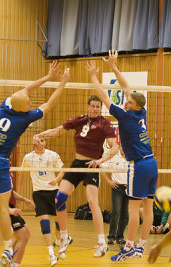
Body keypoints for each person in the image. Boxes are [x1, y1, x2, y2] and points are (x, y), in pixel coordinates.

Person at [0, 61, 70, 267]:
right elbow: (49, 105)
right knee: (4, 207)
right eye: (28, 103)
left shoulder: (5, 106)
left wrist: (47, 77)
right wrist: (62, 83)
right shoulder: (25, 118)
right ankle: (7, 250)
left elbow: (25, 89)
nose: (31, 103)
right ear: (22, 108)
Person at [86, 50, 158, 261]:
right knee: (148, 206)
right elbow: (127, 88)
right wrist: (114, 67)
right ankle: (141, 246)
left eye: (128, 102)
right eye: (127, 101)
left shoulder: (125, 116)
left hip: (138, 166)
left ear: (134, 106)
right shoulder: (141, 112)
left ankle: (128, 247)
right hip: (152, 163)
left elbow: (104, 97)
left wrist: (92, 76)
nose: (125, 102)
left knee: (133, 208)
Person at [34, 95, 119, 258]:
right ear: (88, 107)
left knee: (93, 202)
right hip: (77, 164)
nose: (95, 109)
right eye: (93, 106)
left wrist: (101, 160)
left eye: (98, 107)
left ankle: (102, 242)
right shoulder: (79, 120)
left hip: (92, 165)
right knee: (59, 199)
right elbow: (58, 130)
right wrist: (39, 135)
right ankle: (64, 236)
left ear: (101, 108)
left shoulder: (105, 123)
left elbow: (114, 147)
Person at [17, 138, 64, 266]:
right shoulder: (28, 157)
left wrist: (57, 180)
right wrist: (18, 193)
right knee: (44, 220)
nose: (40, 143)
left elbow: (62, 171)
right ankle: (51, 253)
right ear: (33, 142)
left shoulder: (53, 155)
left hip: (54, 191)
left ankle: (57, 237)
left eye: (42, 141)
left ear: (45, 143)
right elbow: (21, 174)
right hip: (38, 193)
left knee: (58, 221)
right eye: (38, 140)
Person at [0, 173, 35, 267]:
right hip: (2, 207)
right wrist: (9, 210)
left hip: (9, 206)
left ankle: (6, 258)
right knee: (22, 236)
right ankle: (15, 264)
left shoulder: (8, 170)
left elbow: (11, 192)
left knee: (26, 233)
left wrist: (25, 199)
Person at [100, 146, 129, 245]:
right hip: (117, 188)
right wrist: (109, 181)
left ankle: (120, 237)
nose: (124, 148)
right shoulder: (114, 157)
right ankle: (111, 237)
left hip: (129, 189)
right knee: (116, 211)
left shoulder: (132, 157)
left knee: (125, 214)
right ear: (120, 147)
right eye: (122, 145)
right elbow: (101, 167)